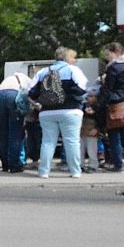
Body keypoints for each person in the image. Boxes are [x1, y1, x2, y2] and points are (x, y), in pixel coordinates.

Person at [29, 47, 89, 178]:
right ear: (67, 57)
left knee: (48, 142)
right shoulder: (73, 70)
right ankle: (75, 171)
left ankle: (44, 172)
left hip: (47, 112)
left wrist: (42, 101)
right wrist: (74, 98)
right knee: (72, 141)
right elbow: (82, 89)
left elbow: (31, 92)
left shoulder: (43, 72)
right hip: (70, 111)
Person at [97, 43, 124, 172]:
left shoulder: (114, 68)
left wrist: (97, 105)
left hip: (116, 104)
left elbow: (108, 89)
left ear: (114, 52)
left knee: (114, 136)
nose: (107, 57)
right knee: (122, 137)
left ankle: (118, 165)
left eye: (107, 54)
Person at [0, 69, 31, 173]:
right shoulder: (28, 80)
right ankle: (14, 165)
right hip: (12, 95)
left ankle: (5, 164)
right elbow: (30, 96)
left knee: (3, 132)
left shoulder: (8, 79)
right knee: (15, 132)